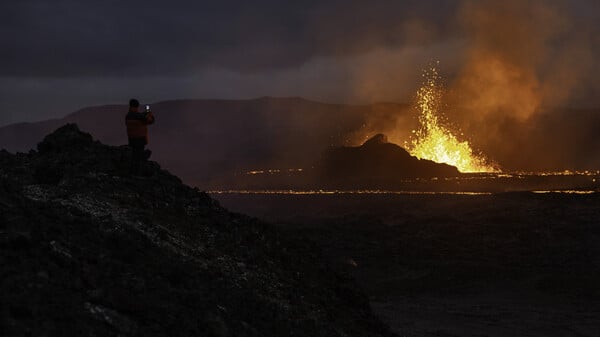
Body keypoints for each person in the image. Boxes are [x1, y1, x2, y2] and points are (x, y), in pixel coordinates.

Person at [125, 98, 155, 175]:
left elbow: (138, 118)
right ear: (137, 106)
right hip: (140, 139)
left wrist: (143, 114)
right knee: (139, 158)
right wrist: (149, 113)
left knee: (134, 157)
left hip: (131, 139)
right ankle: (137, 174)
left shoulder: (128, 116)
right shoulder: (139, 116)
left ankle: (132, 173)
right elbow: (150, 121)